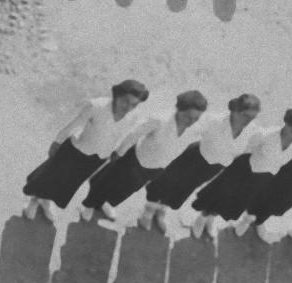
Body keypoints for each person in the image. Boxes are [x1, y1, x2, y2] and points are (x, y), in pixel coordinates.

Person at [22, 80, 150, 220]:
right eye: (125, 101)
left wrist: (119, 152)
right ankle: (34, 201)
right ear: (117, 94)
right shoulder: (96, 106)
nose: (128, 107)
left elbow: (125, 136)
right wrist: (57, 142)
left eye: (134, 104)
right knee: (53, 177)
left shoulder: (133, 117)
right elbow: (73, 124)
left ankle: (46, 201)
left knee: (69, 183)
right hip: (75, 151)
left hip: (98, 158)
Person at [80, 90, 208, 223]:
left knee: (128, 189)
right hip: (134, 159)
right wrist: (119, 152)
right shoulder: (159, 119)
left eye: (196, 118)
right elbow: (134, 134)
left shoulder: (196, 127)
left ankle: (107, 203)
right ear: (179, 109)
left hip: (156, 168)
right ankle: (89, 204)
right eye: (187, 117)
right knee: (108, 182)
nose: (191, 122)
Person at [141, 93, 262, 233]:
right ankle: (149, 211)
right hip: (194, 158)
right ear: (235, 111)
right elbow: (187, 129)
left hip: (214, 168)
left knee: (183, 189)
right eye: (245, 115)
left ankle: (162, 210)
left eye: (252, 117)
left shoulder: (253, 131)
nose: (248, 120)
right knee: (166, 182)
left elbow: (249, 150)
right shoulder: (214, 120)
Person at [190, 107, 292, 234]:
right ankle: (202, 217)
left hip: (261, 179)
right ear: (287, 124)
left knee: (232, 202)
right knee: (220, 195)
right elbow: (246, 151)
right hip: (243, 171)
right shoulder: (264, 135)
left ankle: (211, 219)